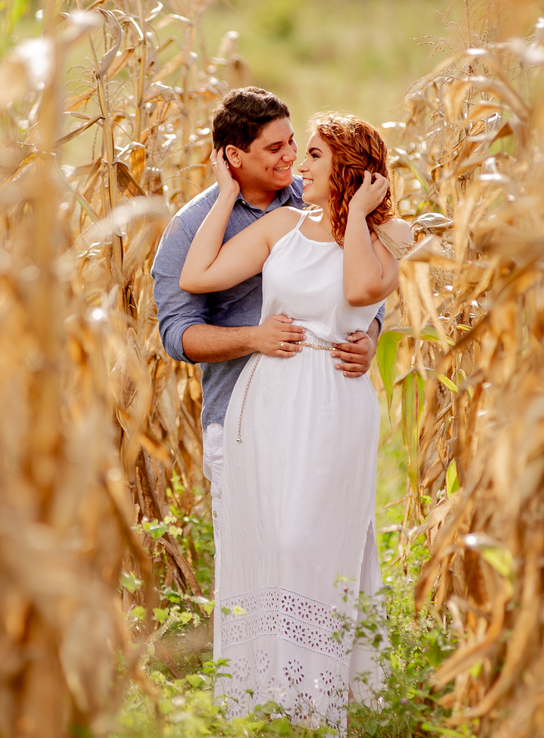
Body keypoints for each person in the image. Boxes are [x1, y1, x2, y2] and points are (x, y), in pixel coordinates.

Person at [179, 112, 413, 726]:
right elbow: (195, 277)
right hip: (269, 397)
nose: (297, 167)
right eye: (296, 153)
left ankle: (320, 699)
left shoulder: (390, 236)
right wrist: (227, 192)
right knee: (270, 539)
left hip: (335, 399)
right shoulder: (283, 225)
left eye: (312, 156)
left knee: (310, 540)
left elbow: (362, 292)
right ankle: (266, 699)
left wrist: (358, 216)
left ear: (351, 172)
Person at [150, 87, 383, 568]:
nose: (293, 158)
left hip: (323, 412)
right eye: (276, 149)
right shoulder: (192, 227)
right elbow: (178, 334)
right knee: (255, 556)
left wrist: (370, 338)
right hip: (238, 413)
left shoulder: (321, 198)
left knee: (325, 554)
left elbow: (364, 285)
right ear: (233, 156)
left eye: (295, 143)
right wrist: (253, 338)